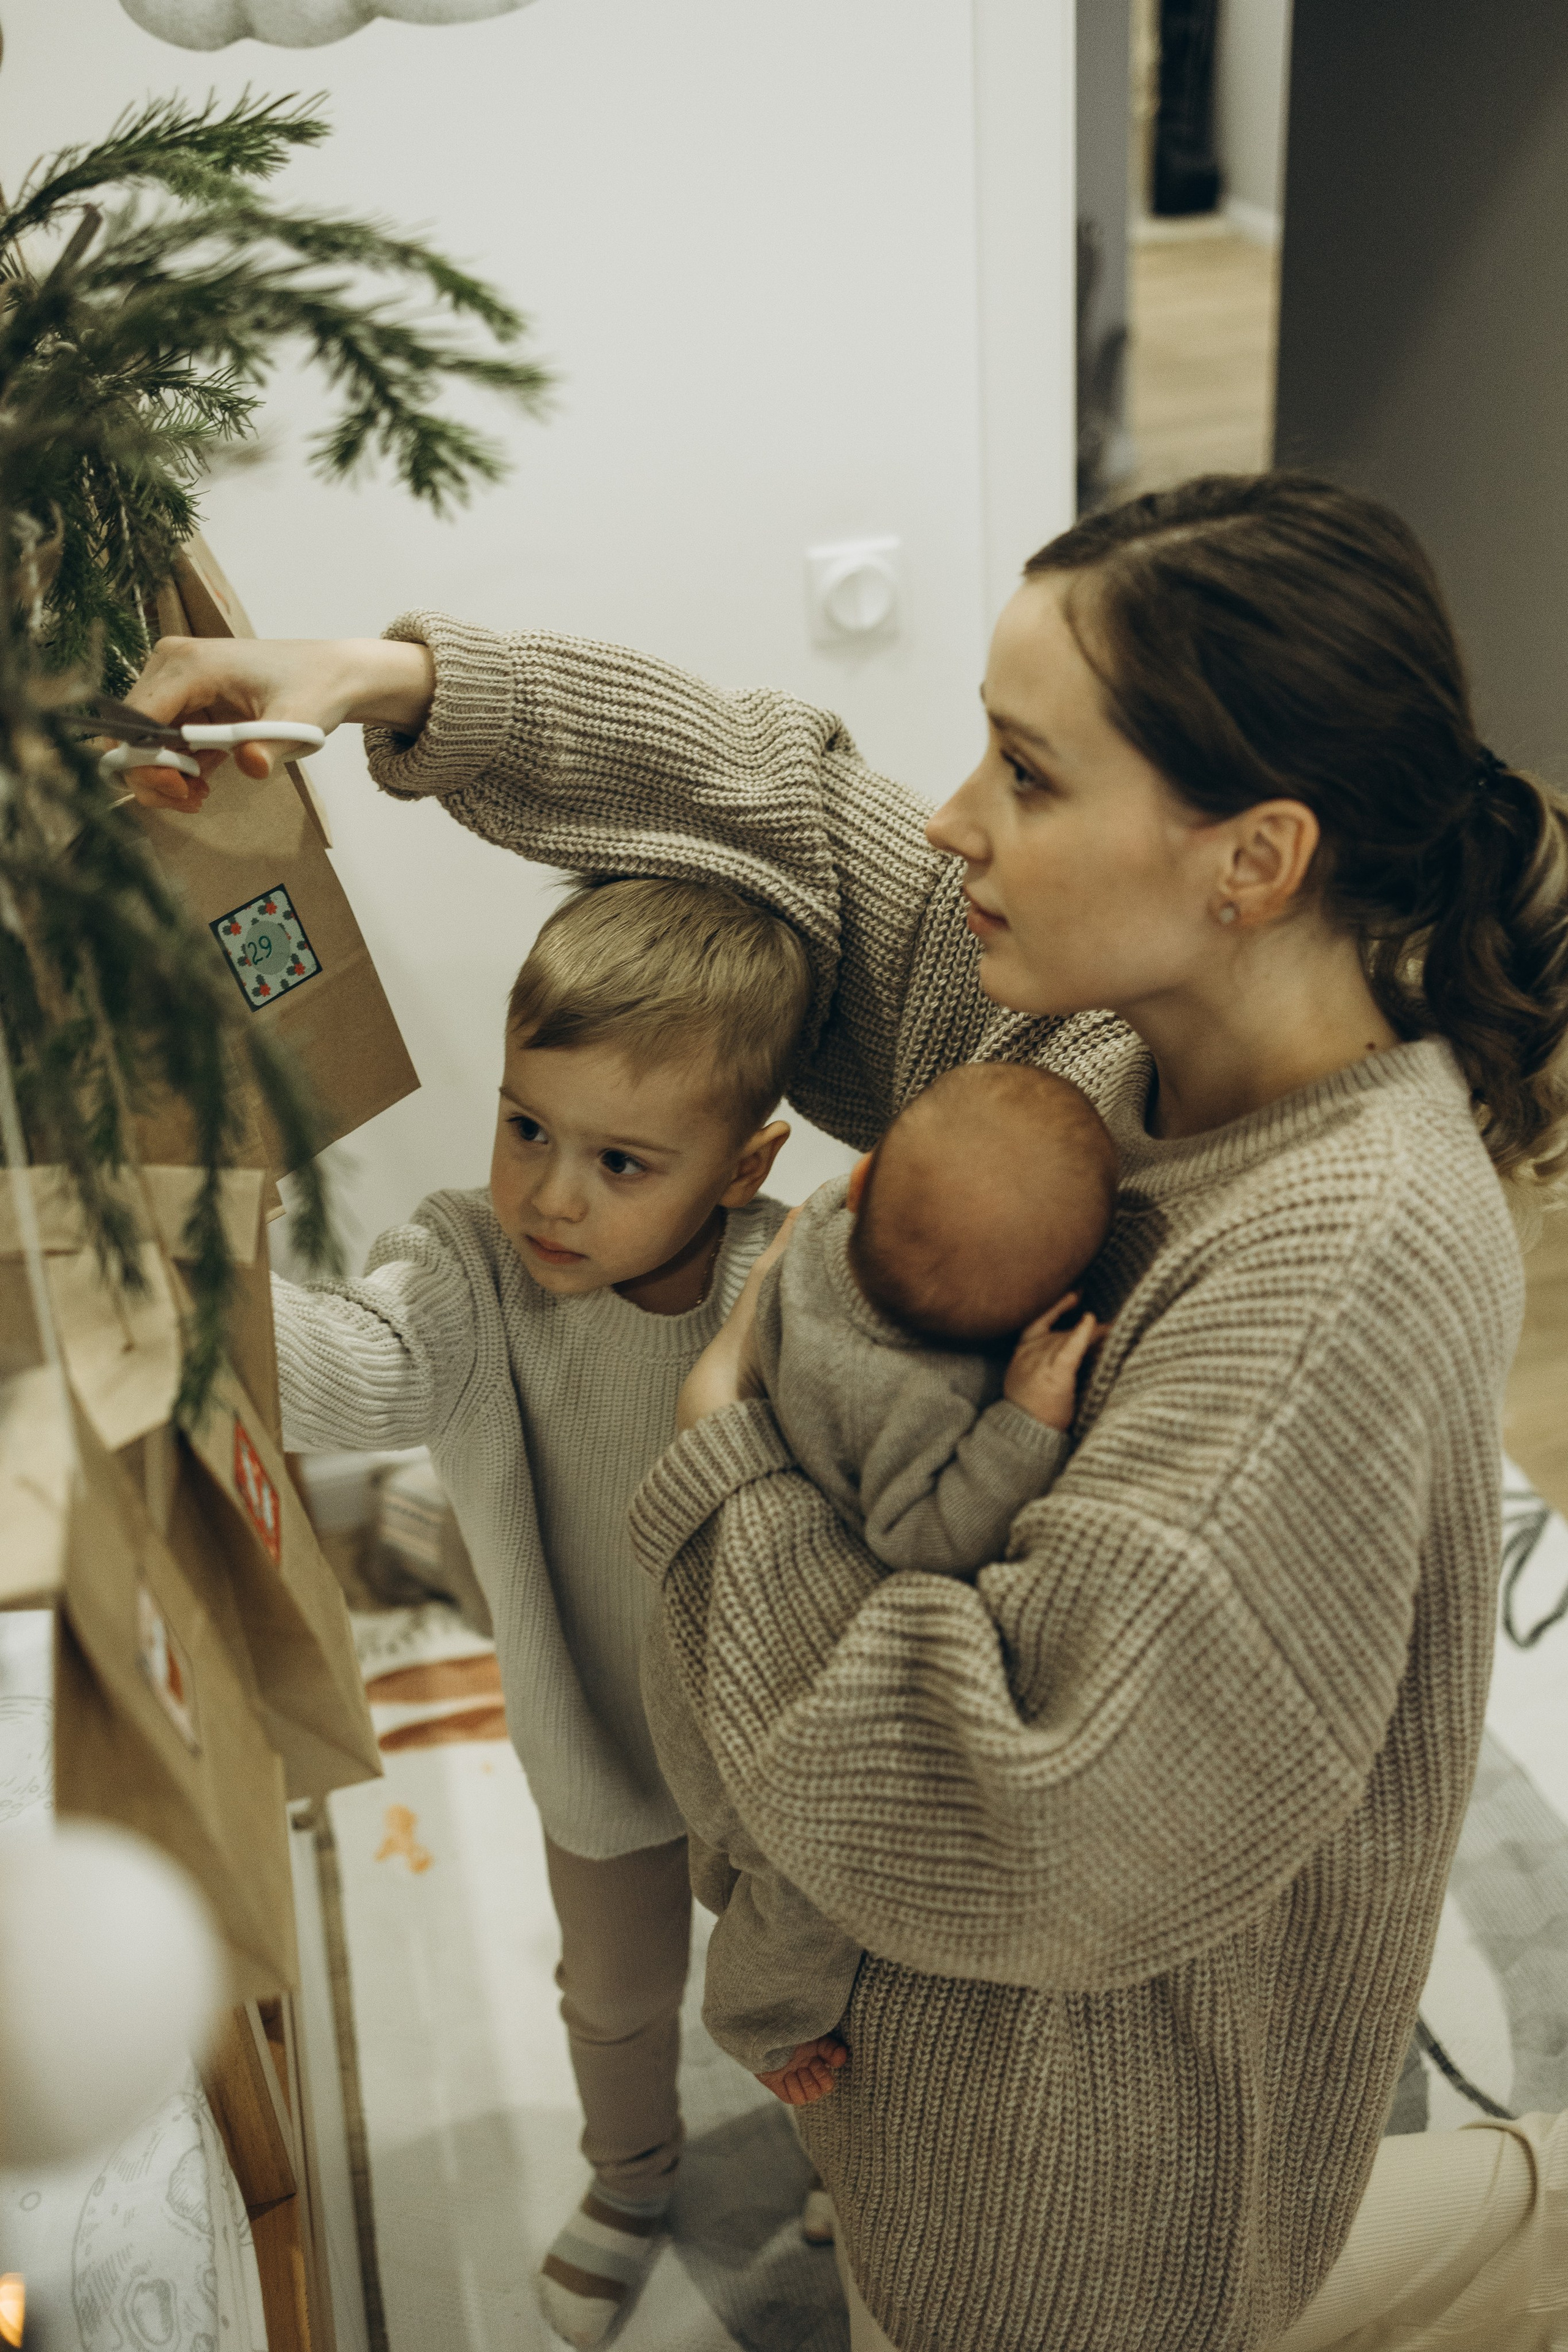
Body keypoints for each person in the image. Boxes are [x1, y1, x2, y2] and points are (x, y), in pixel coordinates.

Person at [122, 472, 1568, 2352]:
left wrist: (729, 1458)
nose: (959, 821)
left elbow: (1013, 1820)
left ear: (1255, 861)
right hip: (962, 2111)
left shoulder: (1339, 1269)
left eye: (1029, 778)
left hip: (1067, 2221)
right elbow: (794, 811)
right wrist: (403, 685)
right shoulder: (1111, 1038)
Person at [266, 872, 809, 2350]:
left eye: (621, 1161)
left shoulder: (790, 1288)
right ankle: (630, 2180)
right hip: (598, 1740)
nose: (551, 1195)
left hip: (775, 1762)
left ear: (742, 1166)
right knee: (616, 1997)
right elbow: (348, 1371)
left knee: (824, 2008)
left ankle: (848, 2160)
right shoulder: (466, 1268)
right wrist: (179, 1272)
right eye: (524, 1127)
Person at [657, 1061, 1116, 2104]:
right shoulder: (924, 1394)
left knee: (720, 1833)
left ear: (862, 1182)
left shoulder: (818, 1228)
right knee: (804, 1887)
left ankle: (718, 1874)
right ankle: (761, 2028)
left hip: (693, 1633)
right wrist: (1023, 1423)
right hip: (770, 1677)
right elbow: (929, 1537)